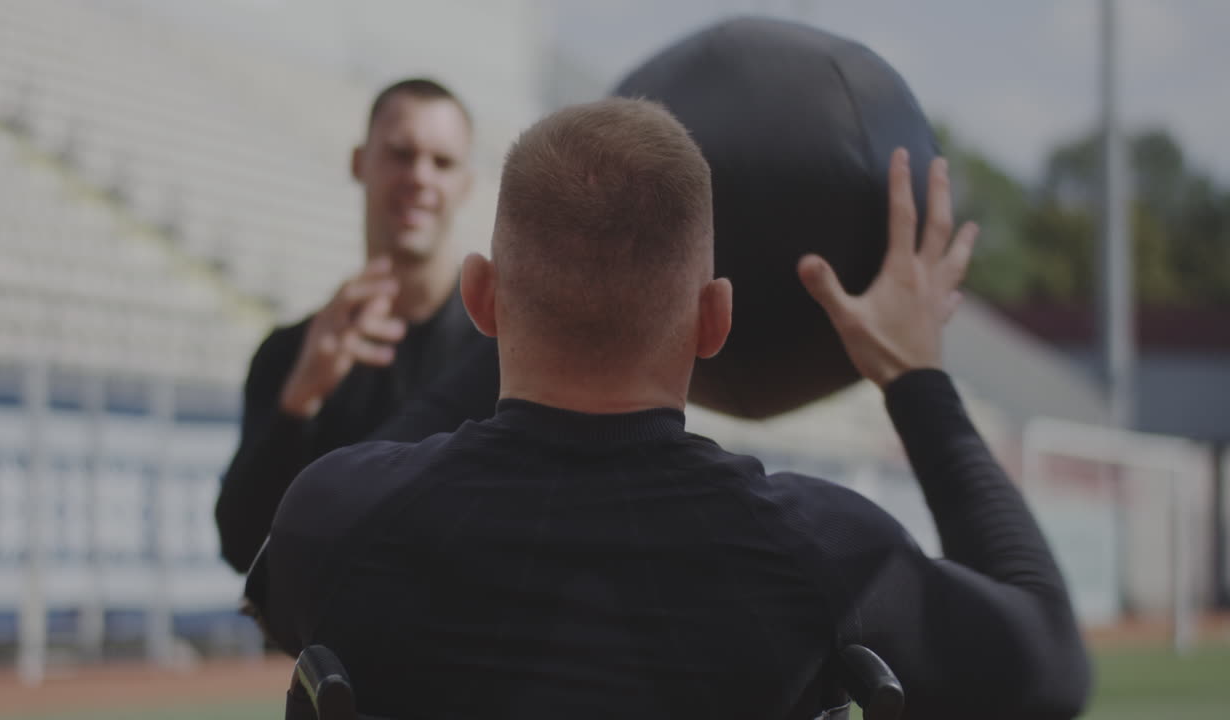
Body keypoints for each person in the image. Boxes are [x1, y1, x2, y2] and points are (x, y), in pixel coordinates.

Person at [250, 99, 1091, 719]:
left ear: (479, 297)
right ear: (715, 319)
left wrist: (531, 308)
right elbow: (1050, 669)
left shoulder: (338, 515)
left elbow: (338, 516)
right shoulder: (827, 549)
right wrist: (919, 383)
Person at [215, 78, 500, 574]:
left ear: (466, 185)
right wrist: (299, 401)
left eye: (443, 162)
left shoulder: (502, 353)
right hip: (326, 651)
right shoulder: (290, 354)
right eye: (400, 154)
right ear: (358, 163)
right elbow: (242, 547)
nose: (420, 176)